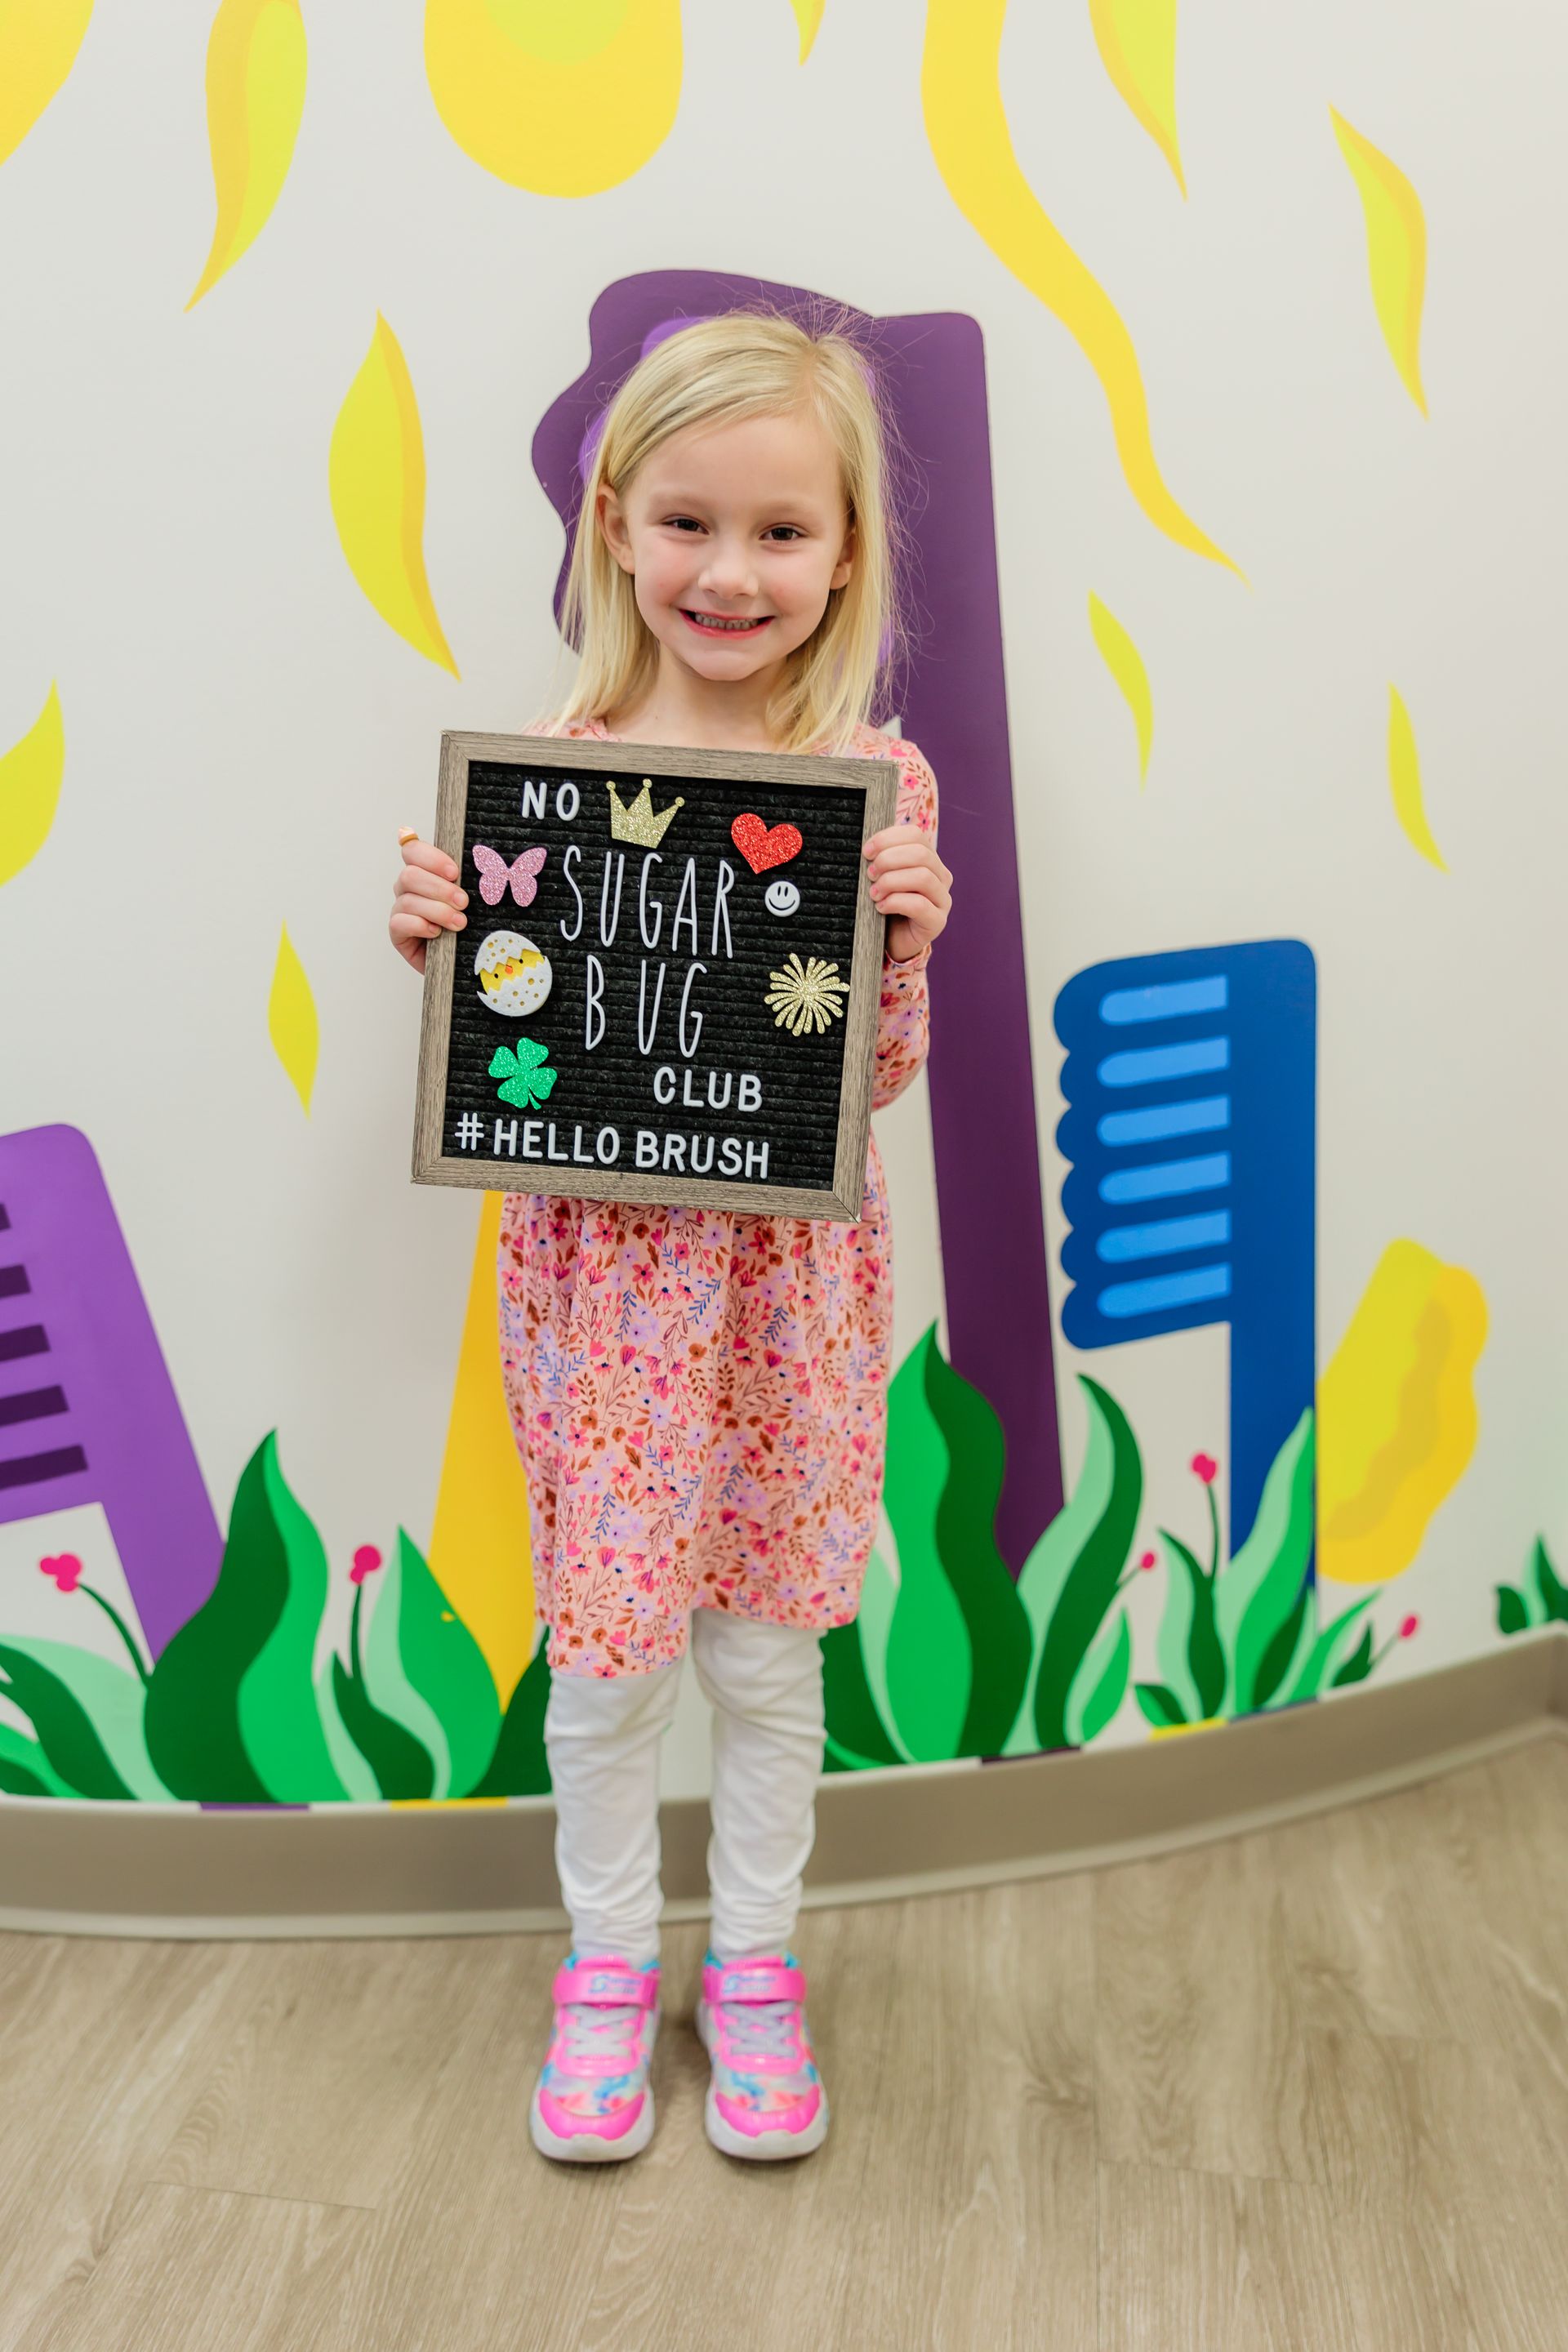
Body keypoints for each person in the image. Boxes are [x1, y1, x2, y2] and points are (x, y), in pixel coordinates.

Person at [390, 310, 951, 2163]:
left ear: (846, 551)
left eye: (783, 532)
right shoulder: (540, 778)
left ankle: (761, 1960)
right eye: (691, 524)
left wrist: (905, 941)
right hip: (607, 1302)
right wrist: (447, 949)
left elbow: (861, 1084)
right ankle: (613, 1959)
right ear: (616, 525)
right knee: (612, 1657)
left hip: (784, 1298)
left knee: (769, 1655)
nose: (732, 572)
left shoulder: (876, 784)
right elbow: (522, 1063)